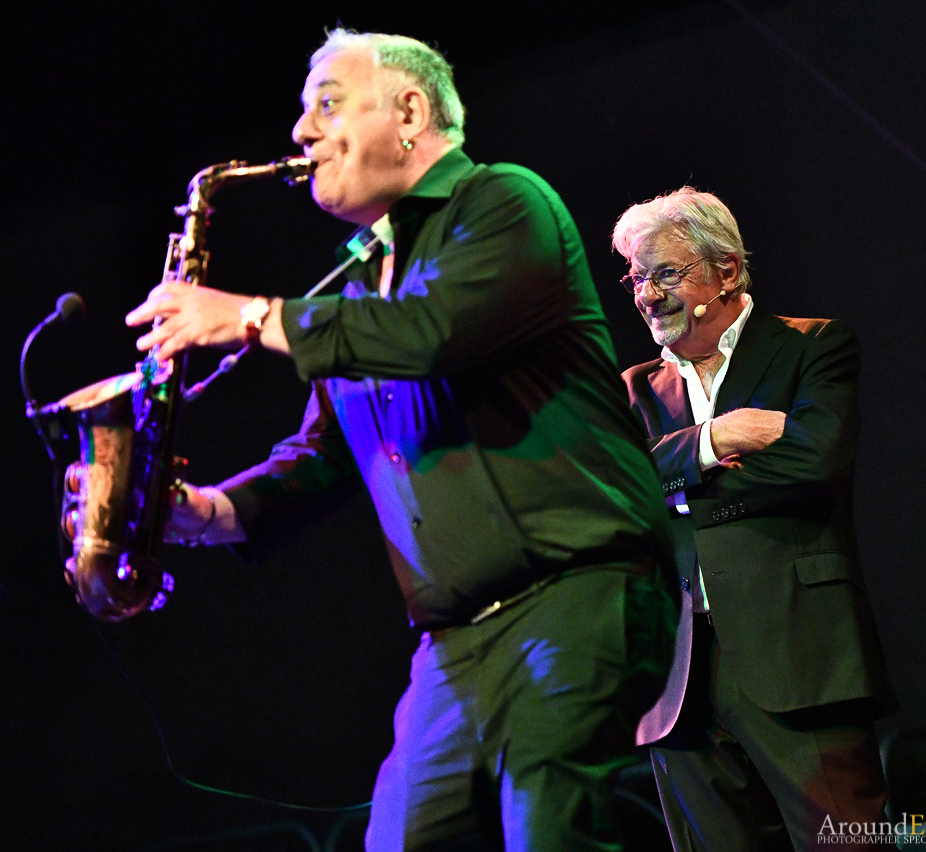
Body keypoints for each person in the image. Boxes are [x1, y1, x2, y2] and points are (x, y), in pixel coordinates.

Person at [126, 29, 678, 851]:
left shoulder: (504, 202)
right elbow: (323, 457)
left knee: (552, 831)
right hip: (452, 650)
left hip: (577, 597)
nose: (301, 134)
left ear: (409, 111)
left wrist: (248, 315)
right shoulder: (356, 284)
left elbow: (435, 331)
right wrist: (206, 512)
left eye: (326, 104)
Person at [612, 187, 896, 852]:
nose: (646, 294)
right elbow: (611, 494)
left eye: (666, 273)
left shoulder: (812, 348)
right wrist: (719, 440)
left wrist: (675, 485)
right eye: (636, 276)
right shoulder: (632, 389)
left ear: (728, 271)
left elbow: (814, 464)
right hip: (676, 680)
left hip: (798, 654)